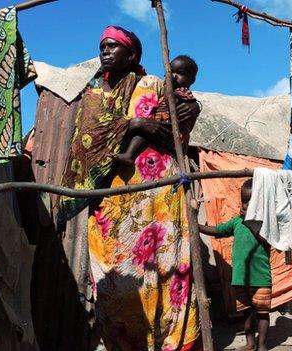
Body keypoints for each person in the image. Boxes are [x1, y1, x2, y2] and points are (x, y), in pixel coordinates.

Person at [59, 26, 201, 350]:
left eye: (113, 46)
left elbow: (172, 131)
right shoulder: (94, 95)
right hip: (113, 198)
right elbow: (89, 140)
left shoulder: (150, 85)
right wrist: (134, 123)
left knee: (162, 273)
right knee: (115, 281)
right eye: (102, 46)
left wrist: (187, 114)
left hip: (155, 194)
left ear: (132, 54)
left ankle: (167, 343)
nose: (105, 51)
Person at [199, 179, 272, 351]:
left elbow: (267, 240)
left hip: (260, 277)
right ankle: (250, 343)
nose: (246, 204)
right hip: (240, 277)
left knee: (262, 313)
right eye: (244, 200)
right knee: (246, 311)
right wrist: (198, 226)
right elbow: (218, 230)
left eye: (251, 200)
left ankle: (261, 346)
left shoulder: (265, 222)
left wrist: (250, 221)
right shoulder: (236, 222)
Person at [115, 55, 199, 165]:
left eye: (180, 73)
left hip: (170, 131)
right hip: (161, 127)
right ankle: (130, 155)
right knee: (143, 133)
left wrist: (168, 88)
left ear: (191, 80)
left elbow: (171, 105)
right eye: (171, 72)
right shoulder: (164, 90)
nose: (174, 76)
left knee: (144, 133)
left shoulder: (183, 92)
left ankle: (130, 155)